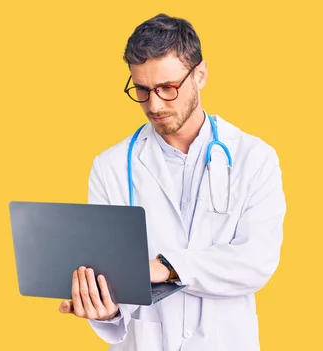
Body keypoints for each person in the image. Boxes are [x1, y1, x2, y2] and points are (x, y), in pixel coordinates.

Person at [58, 13, 286, 350]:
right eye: (143, 89)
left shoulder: (254, 158)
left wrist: (168, 267)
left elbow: (255, 262)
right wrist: (103, 308)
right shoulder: (111, 166)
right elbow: (115, 276)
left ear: (201, 75)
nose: (154, 104)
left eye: (168, 88)